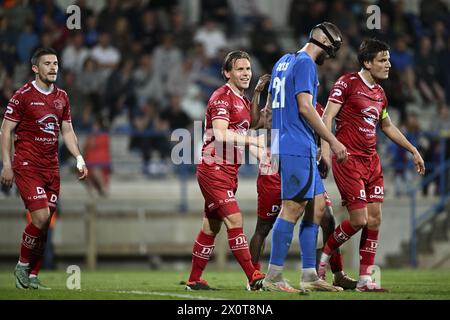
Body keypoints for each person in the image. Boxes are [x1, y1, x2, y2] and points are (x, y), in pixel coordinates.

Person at [318, 39, 426, 292]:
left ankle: (365, 280)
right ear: (367, 62)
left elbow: (386, 125)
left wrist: (412, 149)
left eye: (388, 59)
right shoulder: (346, 83)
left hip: (371, 161)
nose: (388, 65)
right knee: (358, 220)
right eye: (382, 60)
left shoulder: (380, 93)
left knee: (374, 220)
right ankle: (324, 258)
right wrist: (327, 150)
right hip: (348, 159)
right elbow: (327, 117)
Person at [262, 22, 348, 293]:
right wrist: (332, 141)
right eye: (330, 52)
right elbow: (306, 108)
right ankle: (274, 276)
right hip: (297, 144)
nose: (328, 59)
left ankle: (309, 274)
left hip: (286, 142)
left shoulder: (283, 62)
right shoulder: (307, 64)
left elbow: (269, 108)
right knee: (293, 209)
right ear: (322, 42)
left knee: (317, 207)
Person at [248, 75, 356, 292]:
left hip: (305, 165)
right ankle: (254, 277)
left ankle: (328, 273)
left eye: (315, 82)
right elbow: (256, 122)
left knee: (325, 217)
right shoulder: (279, 102)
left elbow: (324, 130)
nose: (314, 84)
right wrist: (259, 94)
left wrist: (324, 154)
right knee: (264, 226)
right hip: (275, 167)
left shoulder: (314, 104)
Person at [0, 48, 88, 289]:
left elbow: (67, 131)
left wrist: (79, 157)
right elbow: (6, 130)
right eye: (47, 63)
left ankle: (32, 277)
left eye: (56, 63)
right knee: (41, 216)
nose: (53, 67)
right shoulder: (23, 96)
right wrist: (7, 164)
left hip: (52, 167)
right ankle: (21, 265)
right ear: (35, 68)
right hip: (27, 165)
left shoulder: (62, 97)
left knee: (45, 223)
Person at [185, 50, 266, 291]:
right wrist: (254, 142)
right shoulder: (221, 97)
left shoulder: (242, 99)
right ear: (227, 73)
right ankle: (253, 276)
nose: (245, 73)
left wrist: (261, 154)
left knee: (211, 226)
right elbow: (220, 134)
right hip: (214, 169)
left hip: (228, 171)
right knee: (235, 219)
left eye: (248, 69)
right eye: (240, 69)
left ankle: (194, 279)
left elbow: (246, 129)